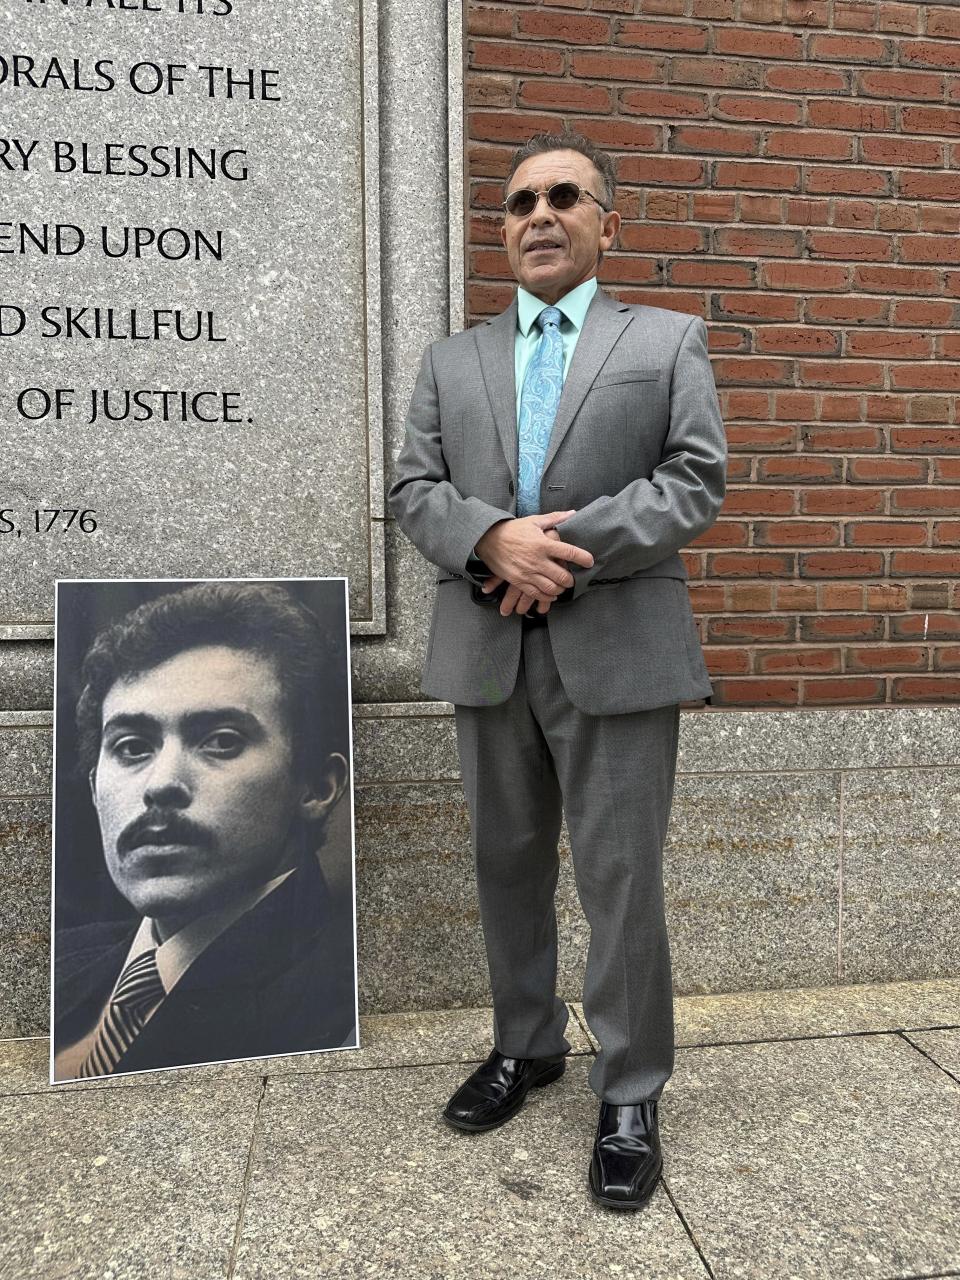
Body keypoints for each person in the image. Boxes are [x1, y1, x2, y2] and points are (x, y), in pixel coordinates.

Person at [387, 130, 726, 1209]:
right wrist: (493, 540)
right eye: (520, 200)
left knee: (621, 878)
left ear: (605, 222)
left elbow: (693, 480)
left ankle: (630, 1086)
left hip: (617, 646)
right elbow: (415, 488)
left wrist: (559, 551)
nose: (539, 213)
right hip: (487, 648)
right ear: (504, 228)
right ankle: (526, 1045)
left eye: (565, 196)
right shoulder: (453, 358)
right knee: (506, 863)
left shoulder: (667, 340)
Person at [52, 580, 357, 1081]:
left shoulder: (338, 998)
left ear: (316, 788)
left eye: (220, 740)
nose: (162, 784)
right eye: (131, 747)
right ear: (92, 787)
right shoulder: (64, 964)